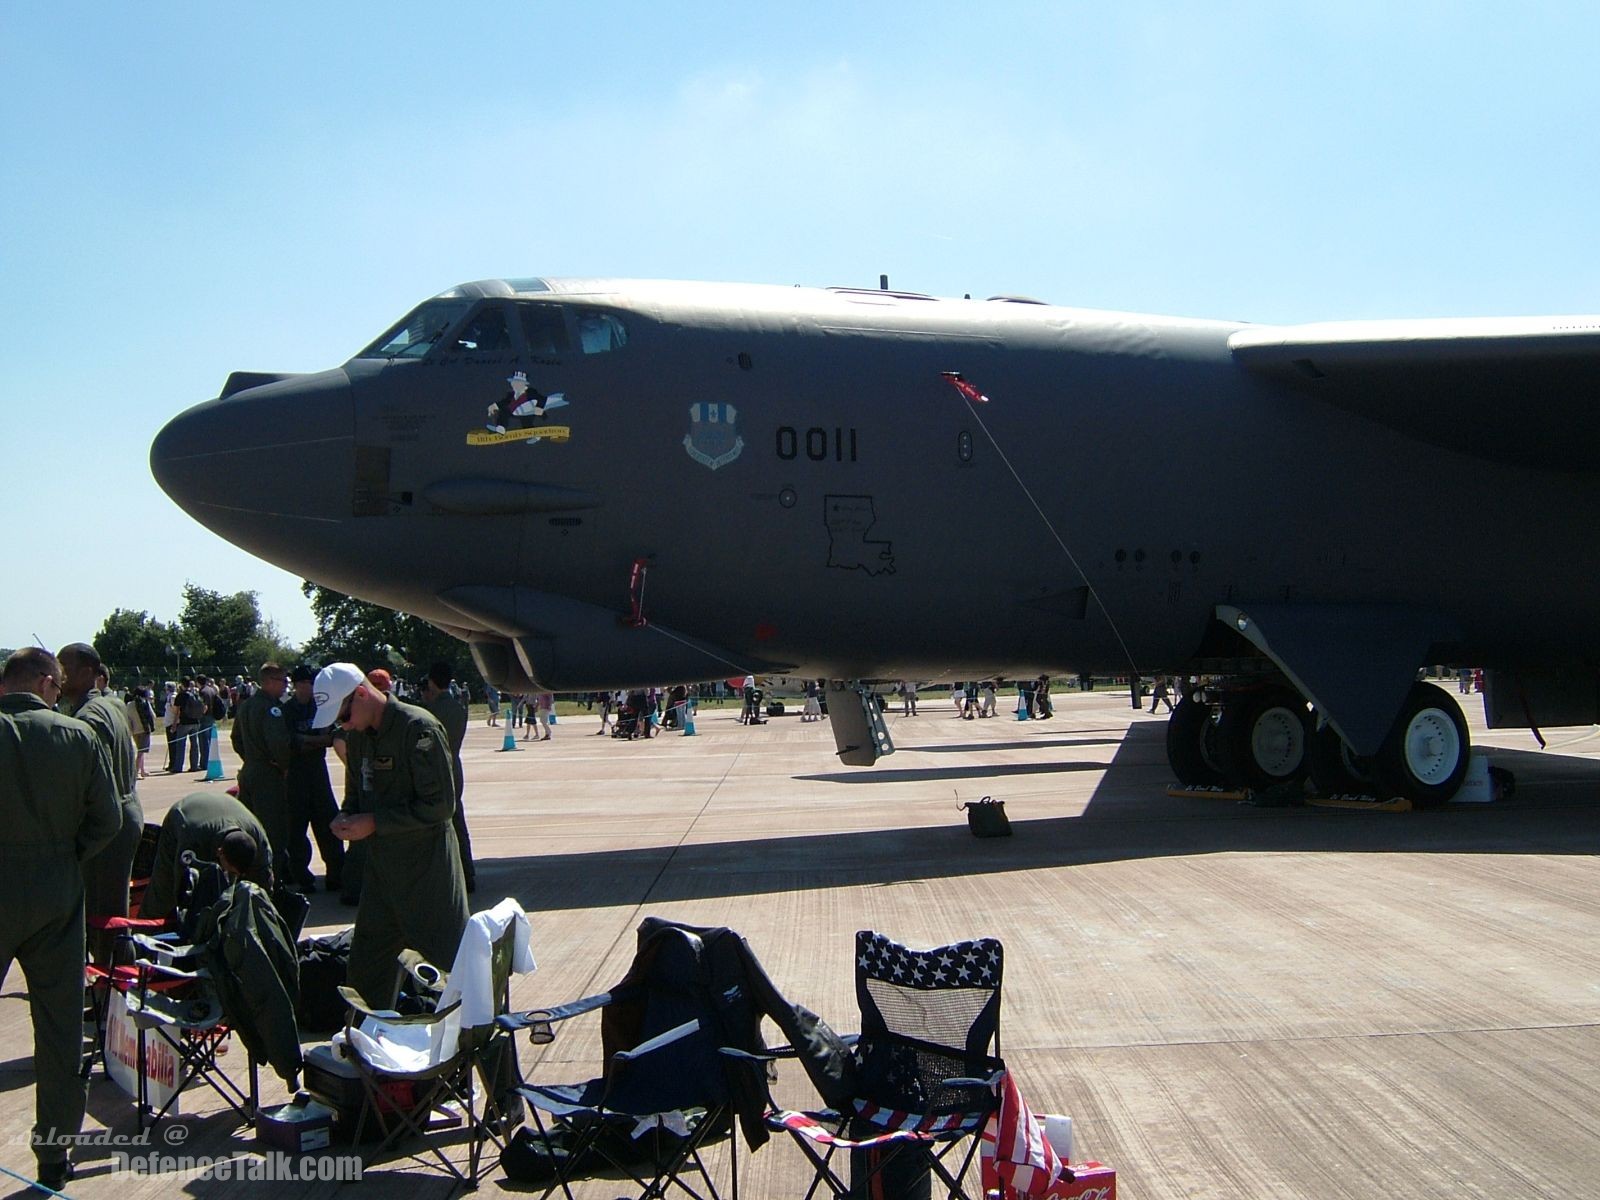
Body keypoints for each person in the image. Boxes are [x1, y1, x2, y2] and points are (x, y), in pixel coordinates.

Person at [1, 648, 121, 1192]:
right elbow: (109, 818)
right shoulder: (75, 736)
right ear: (48, 683)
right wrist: (67, 857)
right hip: (56, 884)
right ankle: (54, 1153)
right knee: (59, 1027)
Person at [314, 662, 469, 1008]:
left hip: (430, 879)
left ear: (361, 693)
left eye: (343, 716)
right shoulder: (357, 740)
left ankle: (488, 1056)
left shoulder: (419, 729)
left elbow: (441, 806)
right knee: (365, 979)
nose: (343, 726)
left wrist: (374, 823)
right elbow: (356, 793)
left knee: (462, 979)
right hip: (384, 878)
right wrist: (346, 817)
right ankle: (368, 1052)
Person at [56, 643, 142, 961]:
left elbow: (92, 783)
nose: (59, 674)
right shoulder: (112, 705)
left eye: (66, 667)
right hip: (123, 813)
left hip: (107, 826)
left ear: (89, 672)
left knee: (104, 918)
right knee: (110, 911)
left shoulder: (89, 717)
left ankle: (112, 995)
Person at [139, 790, 274, 920]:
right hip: (184, 815)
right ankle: (143, 933)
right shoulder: (193, 841)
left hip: (226, 810)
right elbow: (184, 890)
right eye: (231, 871)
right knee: (164, 890)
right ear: (219, 852)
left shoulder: (259, 840)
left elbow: (264, 886)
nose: (236, 876)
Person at [231, 663, 294, 886]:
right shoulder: (271, 709)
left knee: (251, 828)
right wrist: (282, 764)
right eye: (282, 681)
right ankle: (272, 883)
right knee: (274, 831)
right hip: (268, 775)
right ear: (268, 682)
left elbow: (236, 739)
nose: (286, 686)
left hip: (249, 771)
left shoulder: (247, 706)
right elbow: (278, 742)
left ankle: (249, 877)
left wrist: (251, 758)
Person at [284, 665, 344, 892]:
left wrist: (309, 741)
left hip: (318, 773)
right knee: (296, 828)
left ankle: (336, 873)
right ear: (297, 685)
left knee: (328, 822)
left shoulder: (319, 707)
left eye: (311, 684)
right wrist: (313, 741)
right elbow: (291, 740)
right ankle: (301, 875)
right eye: (305, 684)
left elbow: (330, 737)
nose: (308, 688)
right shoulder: (288, 710)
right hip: (296, 774)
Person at [421, 661, 476, 893]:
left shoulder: (430, 712)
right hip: (455, 767)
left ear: (432, 682)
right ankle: (467, 873)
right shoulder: (458, 709)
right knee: (458, 823)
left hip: (435, 771)